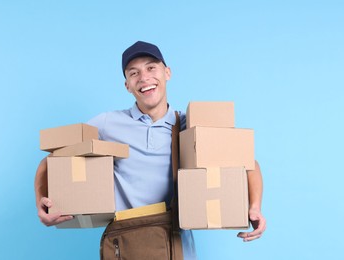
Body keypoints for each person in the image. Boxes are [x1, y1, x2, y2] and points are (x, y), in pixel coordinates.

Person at [35, 41, 266, 259]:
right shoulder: (107, 124)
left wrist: (254, 207)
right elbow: (52, 160)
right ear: (127, 85)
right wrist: (41, 202)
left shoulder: (190, 127)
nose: (144, 78)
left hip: (176, 245)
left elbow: (247, 163)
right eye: (133, 73)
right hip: (126, 242)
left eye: (151, 68)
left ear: (167, 73)